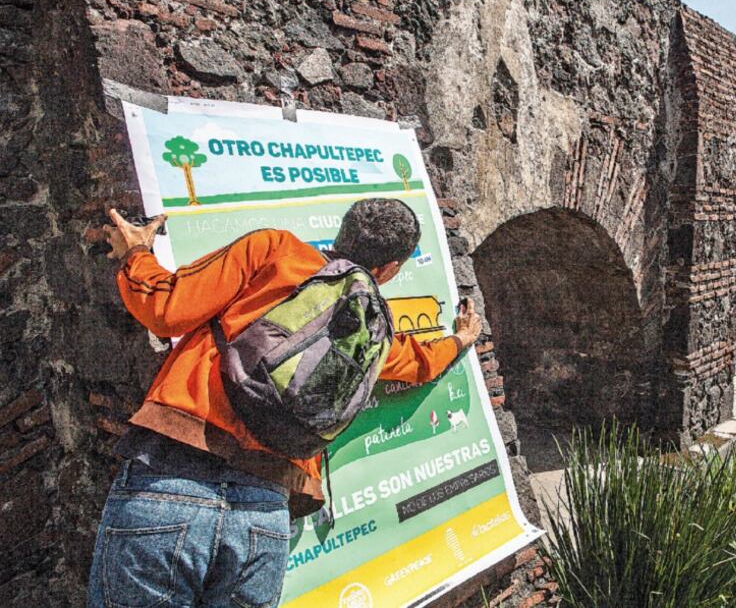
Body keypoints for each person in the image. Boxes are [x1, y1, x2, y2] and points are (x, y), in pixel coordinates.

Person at [88, 199, 482, 608]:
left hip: (175, 472)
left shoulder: (274, 250)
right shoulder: (369, 328)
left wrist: (136, 254)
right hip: (265, 509)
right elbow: (417, 363)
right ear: (390, 270)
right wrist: (461, 339)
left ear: (343, 232)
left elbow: (167, 309)